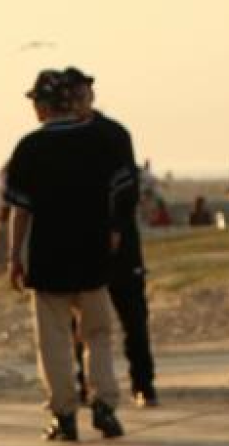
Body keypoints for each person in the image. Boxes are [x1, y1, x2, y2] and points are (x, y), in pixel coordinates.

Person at [5, 70, 129, 443]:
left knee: (54, 340)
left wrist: (14, 256)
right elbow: (120, 194)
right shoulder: (101, 141)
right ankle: (104, 401)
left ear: (43, 107)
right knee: (98, 333)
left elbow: (20, 210)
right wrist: (114, 231)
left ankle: (64, 413)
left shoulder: (30, 147)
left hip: (48, 257)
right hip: (92, 253)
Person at [63, 68, 158, 407]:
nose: (77, 103)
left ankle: (143, 383)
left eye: (82, 95)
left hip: (120, 243)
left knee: (134, 317)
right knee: (80, 319)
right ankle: (84, 382)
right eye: (71, 97)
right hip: (79, 243)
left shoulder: (114, 134)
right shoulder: (61, 137)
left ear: (91, 95)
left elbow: (127, 185)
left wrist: (115, 227)